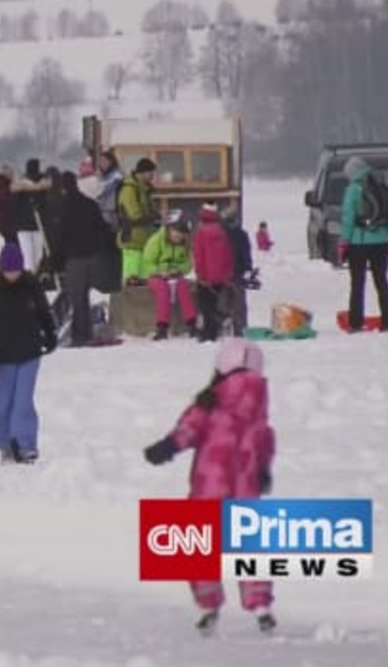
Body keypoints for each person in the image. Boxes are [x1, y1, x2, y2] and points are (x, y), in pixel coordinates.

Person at [143, 338, 276, 635]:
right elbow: (265, 440)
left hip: (210, 483)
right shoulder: (258, 403)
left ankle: (208, 603)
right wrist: (264, 469)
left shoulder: (211, 399)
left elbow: (190, 429)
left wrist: (167, 447)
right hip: (246, 484)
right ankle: (260, 604)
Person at [0, 243, 57, 464]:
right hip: (1, 356)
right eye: (8, 271)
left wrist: (50, 333)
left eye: (16, 270)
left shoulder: (31, 285)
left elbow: (43, 311)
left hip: (29, 352)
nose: (12, 275)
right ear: (1, 269)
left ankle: (26, 444)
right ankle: (5, 444)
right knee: (3, 403)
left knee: (23, 401)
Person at [338, 156, 388, 332]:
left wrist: (344, 242)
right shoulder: (381, 187)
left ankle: (356, 323)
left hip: (359, 242)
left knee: (357, 283)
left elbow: (348, 218)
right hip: (381, 241)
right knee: (381, 281)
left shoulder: (353, 190)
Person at [58, 171, 112, 346]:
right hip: (93, 256)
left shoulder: (63, 207)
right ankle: (89, 331)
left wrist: (55, 259)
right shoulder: (90, 204)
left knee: (78, 297)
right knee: (87, 295)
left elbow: (59, 236)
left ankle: (80, 335)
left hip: (74, 258)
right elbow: (103, 227)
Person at [142, 211, 198, 340]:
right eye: (177, 232)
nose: (179, 236)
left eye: (182, 234)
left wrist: (178, 270)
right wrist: (160, 271)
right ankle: (162, 327)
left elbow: (187, 264)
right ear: (169, 229)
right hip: (155, 275)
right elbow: (146, 264)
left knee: (183, 286)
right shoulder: (156, 241)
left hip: (174, 275)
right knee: (163, 289)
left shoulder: (183, 244)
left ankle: (192, 324)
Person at [193, 203, 235, 342]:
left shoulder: (201, 232)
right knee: (215, 304)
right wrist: (227, 274)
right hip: (220, 278)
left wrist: (200, 275)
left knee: (205, 307)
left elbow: (199, 256)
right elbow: (228, 254)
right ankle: (216, 331)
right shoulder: (222, 232)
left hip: (206, 278)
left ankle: (207, 334)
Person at [117, 157, 158, 283]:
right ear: (143, 172)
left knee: (145, 279)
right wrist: (154, 217)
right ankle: (130, 301)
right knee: (132, 278)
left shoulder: (143, 189)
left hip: (144, 239)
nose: (152, 176)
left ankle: (144, 301)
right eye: (150, 173)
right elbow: (135, 215)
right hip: (132, 238)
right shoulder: (130, 189)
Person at [11, 158, 50, 274]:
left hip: (31, 225)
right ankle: (32, 277)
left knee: (33, 256)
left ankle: (33, 276)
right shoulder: (24, 186)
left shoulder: (24, 185)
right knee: (32, 256)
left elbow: (14, 206)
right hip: (29, 225)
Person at [221, 204, 254, 336]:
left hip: (229, 274)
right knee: (236, 304)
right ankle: (239, 330)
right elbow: (246, 255)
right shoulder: (240, 234)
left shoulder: (225, 234)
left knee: (229, 304)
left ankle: (235, 329)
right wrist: (247, 268)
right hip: (233, 274)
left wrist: (247, 268)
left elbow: (246, 254)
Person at [94, 150, 124, 232]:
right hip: (103, 211)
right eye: (100, 161)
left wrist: (99, 180)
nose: (102, 164)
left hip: (112, 212)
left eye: (104, 161)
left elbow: (103, 191)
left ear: (111, 162)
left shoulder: (116, 176)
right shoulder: (104, 176)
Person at [0, 165, 17, 245]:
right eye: (11, 173)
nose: (13, 175)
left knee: (11, 242)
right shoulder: (1, 185)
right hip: (7, 222)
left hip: (4, 222)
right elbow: (2, 201)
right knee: (12, 243)